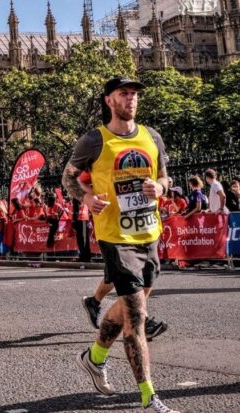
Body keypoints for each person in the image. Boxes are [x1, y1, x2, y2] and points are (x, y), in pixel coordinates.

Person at [62, 77, 178, 412]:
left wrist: (160, 186)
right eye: (124, 94)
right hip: (115, 237)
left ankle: (94, 356)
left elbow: (165, 175)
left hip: (149, 233)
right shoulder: (94, 140)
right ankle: (148, 396)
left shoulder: (151, 136)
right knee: (137, 317)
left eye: (134, 94)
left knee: (132, 307)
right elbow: (68, 177)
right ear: (109, 100)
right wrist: (86, 197)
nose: (131, 99)